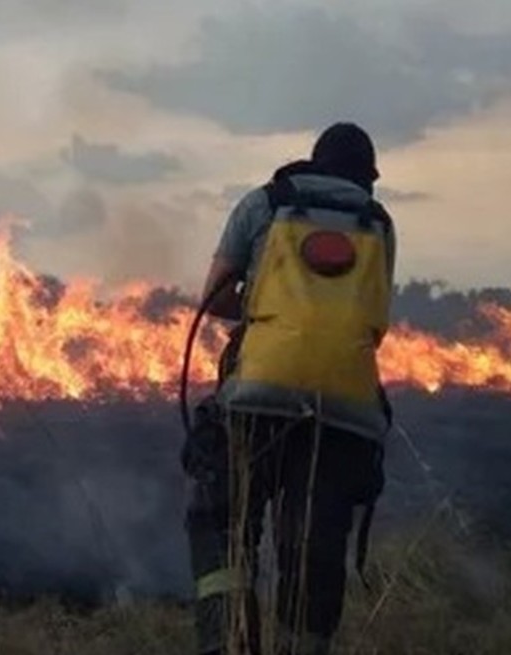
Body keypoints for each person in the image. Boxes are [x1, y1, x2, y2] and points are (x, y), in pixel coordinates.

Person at [181, 122, 396, 655]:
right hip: (346, 413)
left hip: (257, 399)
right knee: (314, 548)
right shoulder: (379, 224)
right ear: (366, 179)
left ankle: (231, 644)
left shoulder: (265, 204)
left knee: (220, 520)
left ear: (313, 163)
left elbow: (213, 299)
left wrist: (260, 308)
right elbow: (370, 324)